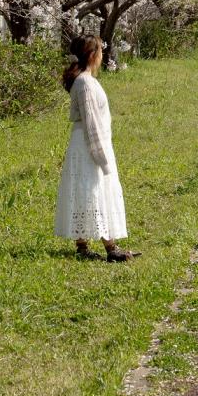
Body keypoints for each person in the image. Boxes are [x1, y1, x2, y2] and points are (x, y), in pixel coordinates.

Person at [55, 35, 136, 262]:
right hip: (88, 145)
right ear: (93, 55)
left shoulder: (86, 80)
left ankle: (88, 246)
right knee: (93, 190)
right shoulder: (85, 83)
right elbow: (91, 123)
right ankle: (108, 247)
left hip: (89, 143)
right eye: (100, 51)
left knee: (89, 190)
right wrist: (101, 156)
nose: (102, 55)